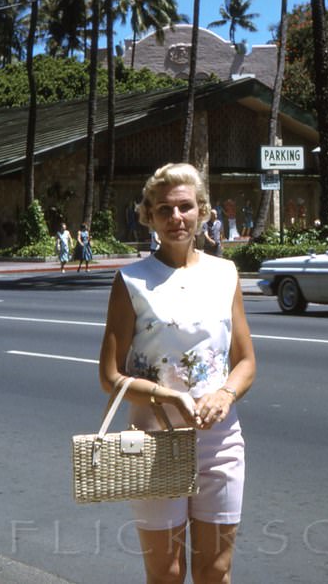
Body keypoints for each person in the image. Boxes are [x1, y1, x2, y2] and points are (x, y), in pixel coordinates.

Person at [97, 162, 256, 584]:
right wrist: (168, 397)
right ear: (148, 215)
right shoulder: (131, 280)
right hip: (154, 444)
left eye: (185, 207)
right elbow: (110, 376)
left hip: (219, 443)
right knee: (166, 574)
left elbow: (245, 362)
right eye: (164, 209)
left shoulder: (225, 274)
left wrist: (224, 396)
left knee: (215, 571)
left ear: (203, 211)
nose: (176, 218)